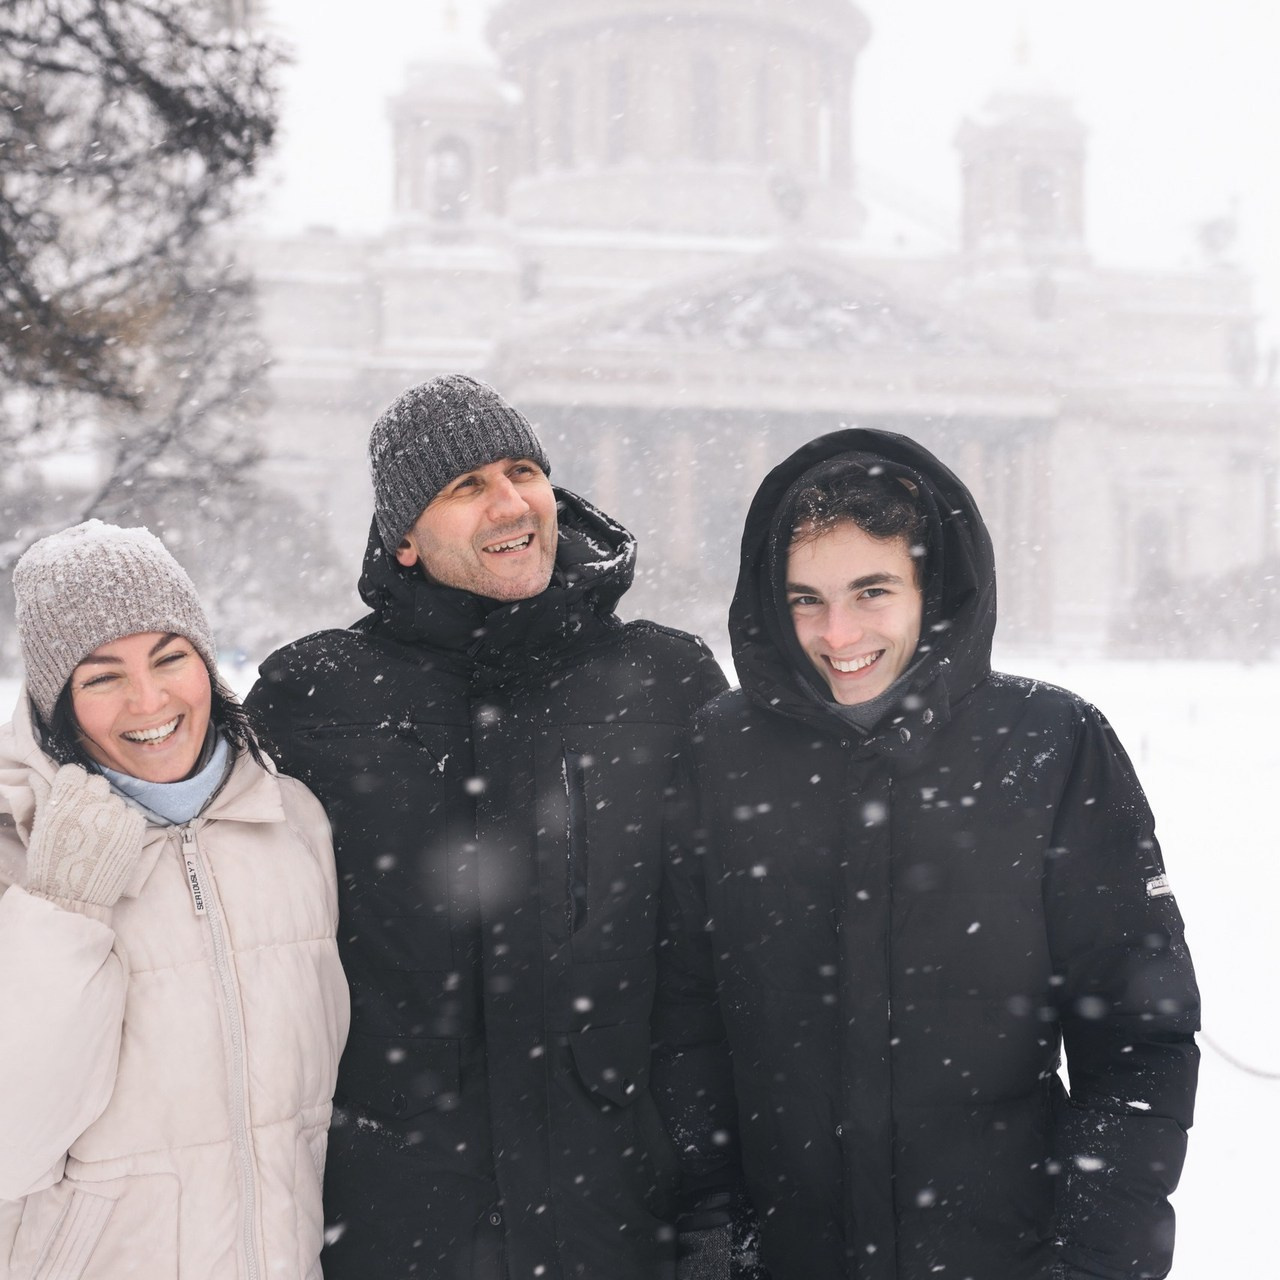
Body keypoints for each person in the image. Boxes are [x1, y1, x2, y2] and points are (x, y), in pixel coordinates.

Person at [673, 429, 1200, 1279]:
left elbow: (1139, 1041)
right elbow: (685, 1024)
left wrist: (1093, 1261)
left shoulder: (1052, 744)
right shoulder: (719, 753)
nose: (836, 632)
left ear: (933, 590)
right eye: (805, 598)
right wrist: (712, 1237)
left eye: (871, 591)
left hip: (1005, 1255)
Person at [245, 374, 736, 1279]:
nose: (510, 502)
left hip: (614, 1224)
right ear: (403, 538)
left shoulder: (667, 683)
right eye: (466, 486)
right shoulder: (313, 698)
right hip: (394, 1229)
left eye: (523, 472)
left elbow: (715, 968)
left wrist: (714, 1212)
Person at [0, 520, 349, 1279]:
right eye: (102, 677)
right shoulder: (15, 850)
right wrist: (62, 904)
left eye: (170, 658)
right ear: (58, 703)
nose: (149, 699)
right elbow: (11, 1144)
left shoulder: (291, 820)